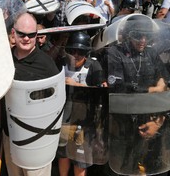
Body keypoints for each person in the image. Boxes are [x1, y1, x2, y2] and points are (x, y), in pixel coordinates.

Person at [107, 15, 169, 176]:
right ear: (128, 35)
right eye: (137, 36)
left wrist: (162, 83)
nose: (142, 40)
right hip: (124, 120)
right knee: (125, 165)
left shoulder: (151, 53)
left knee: (152, 162)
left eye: (147, 36)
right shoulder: (115, 52)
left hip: (151, 117)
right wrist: (151, 90)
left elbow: (163, 75)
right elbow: (118, 86)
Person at [2, 13, 59, 176]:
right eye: (22, 34)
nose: (26, 38)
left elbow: (57, 102)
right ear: (13, 33)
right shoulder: (4, 59)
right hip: (10, 134)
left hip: (37, 138)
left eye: (31, 34)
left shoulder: (46, 65)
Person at [57, 31, 107, 176]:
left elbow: (102, 90)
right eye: (72, 51)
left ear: (86, 53)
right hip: (64, 119)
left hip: (84, 121)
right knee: (64, 154)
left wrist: (77, 85)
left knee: (80, 160)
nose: (76, 55)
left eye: (81, 52)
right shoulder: (61, 64)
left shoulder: (94, 66)